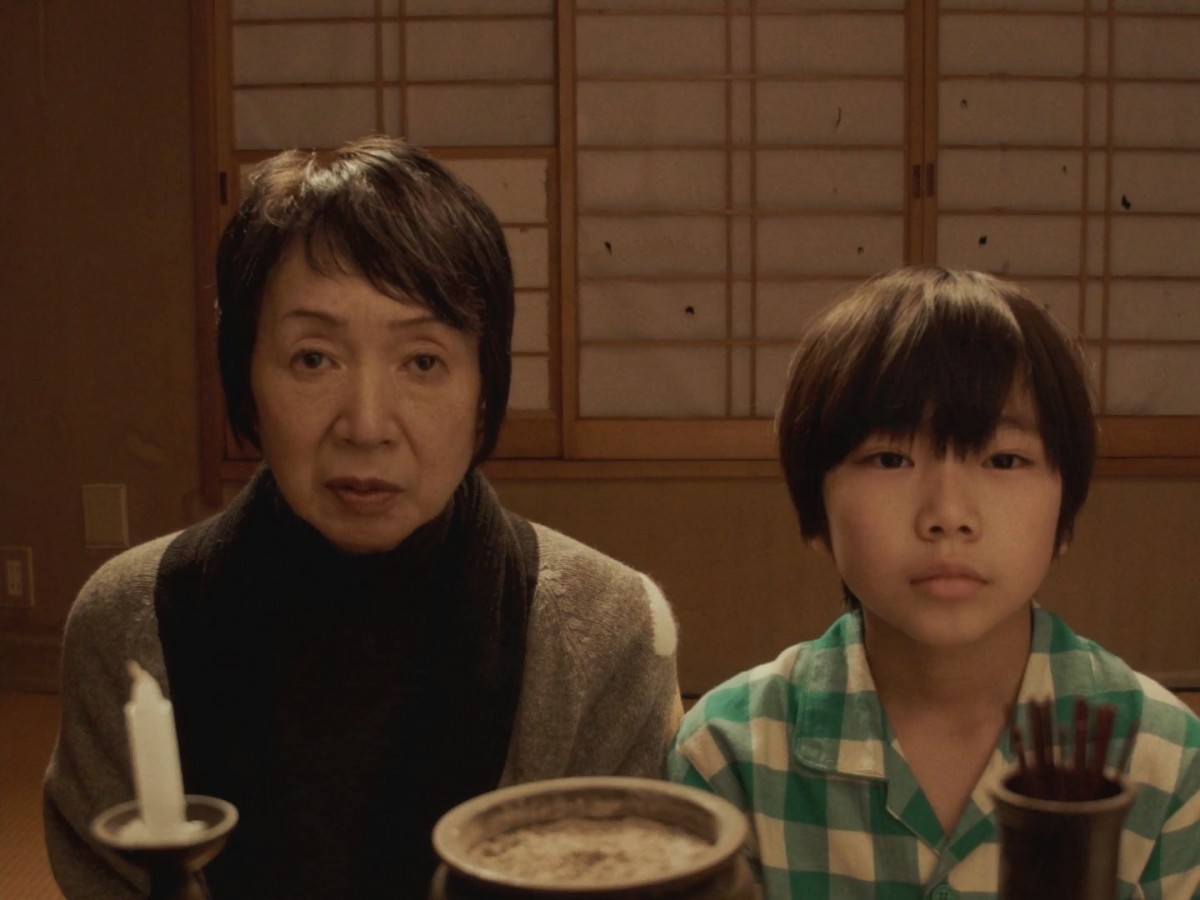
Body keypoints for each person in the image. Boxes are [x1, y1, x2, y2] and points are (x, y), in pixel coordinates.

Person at [44, 136, 682, 898]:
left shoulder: (605, 627)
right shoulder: (126, 623)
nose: (367, 425)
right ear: (245, 379)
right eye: (314, 358)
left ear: (485, 388)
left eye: (423, 361)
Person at [668, 267, 1200, 898]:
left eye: (1004, 459)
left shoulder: (1165, 754)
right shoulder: (729, 753)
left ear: (1065, 511)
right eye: (890, 458)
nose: (948, 515)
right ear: (817, 513)